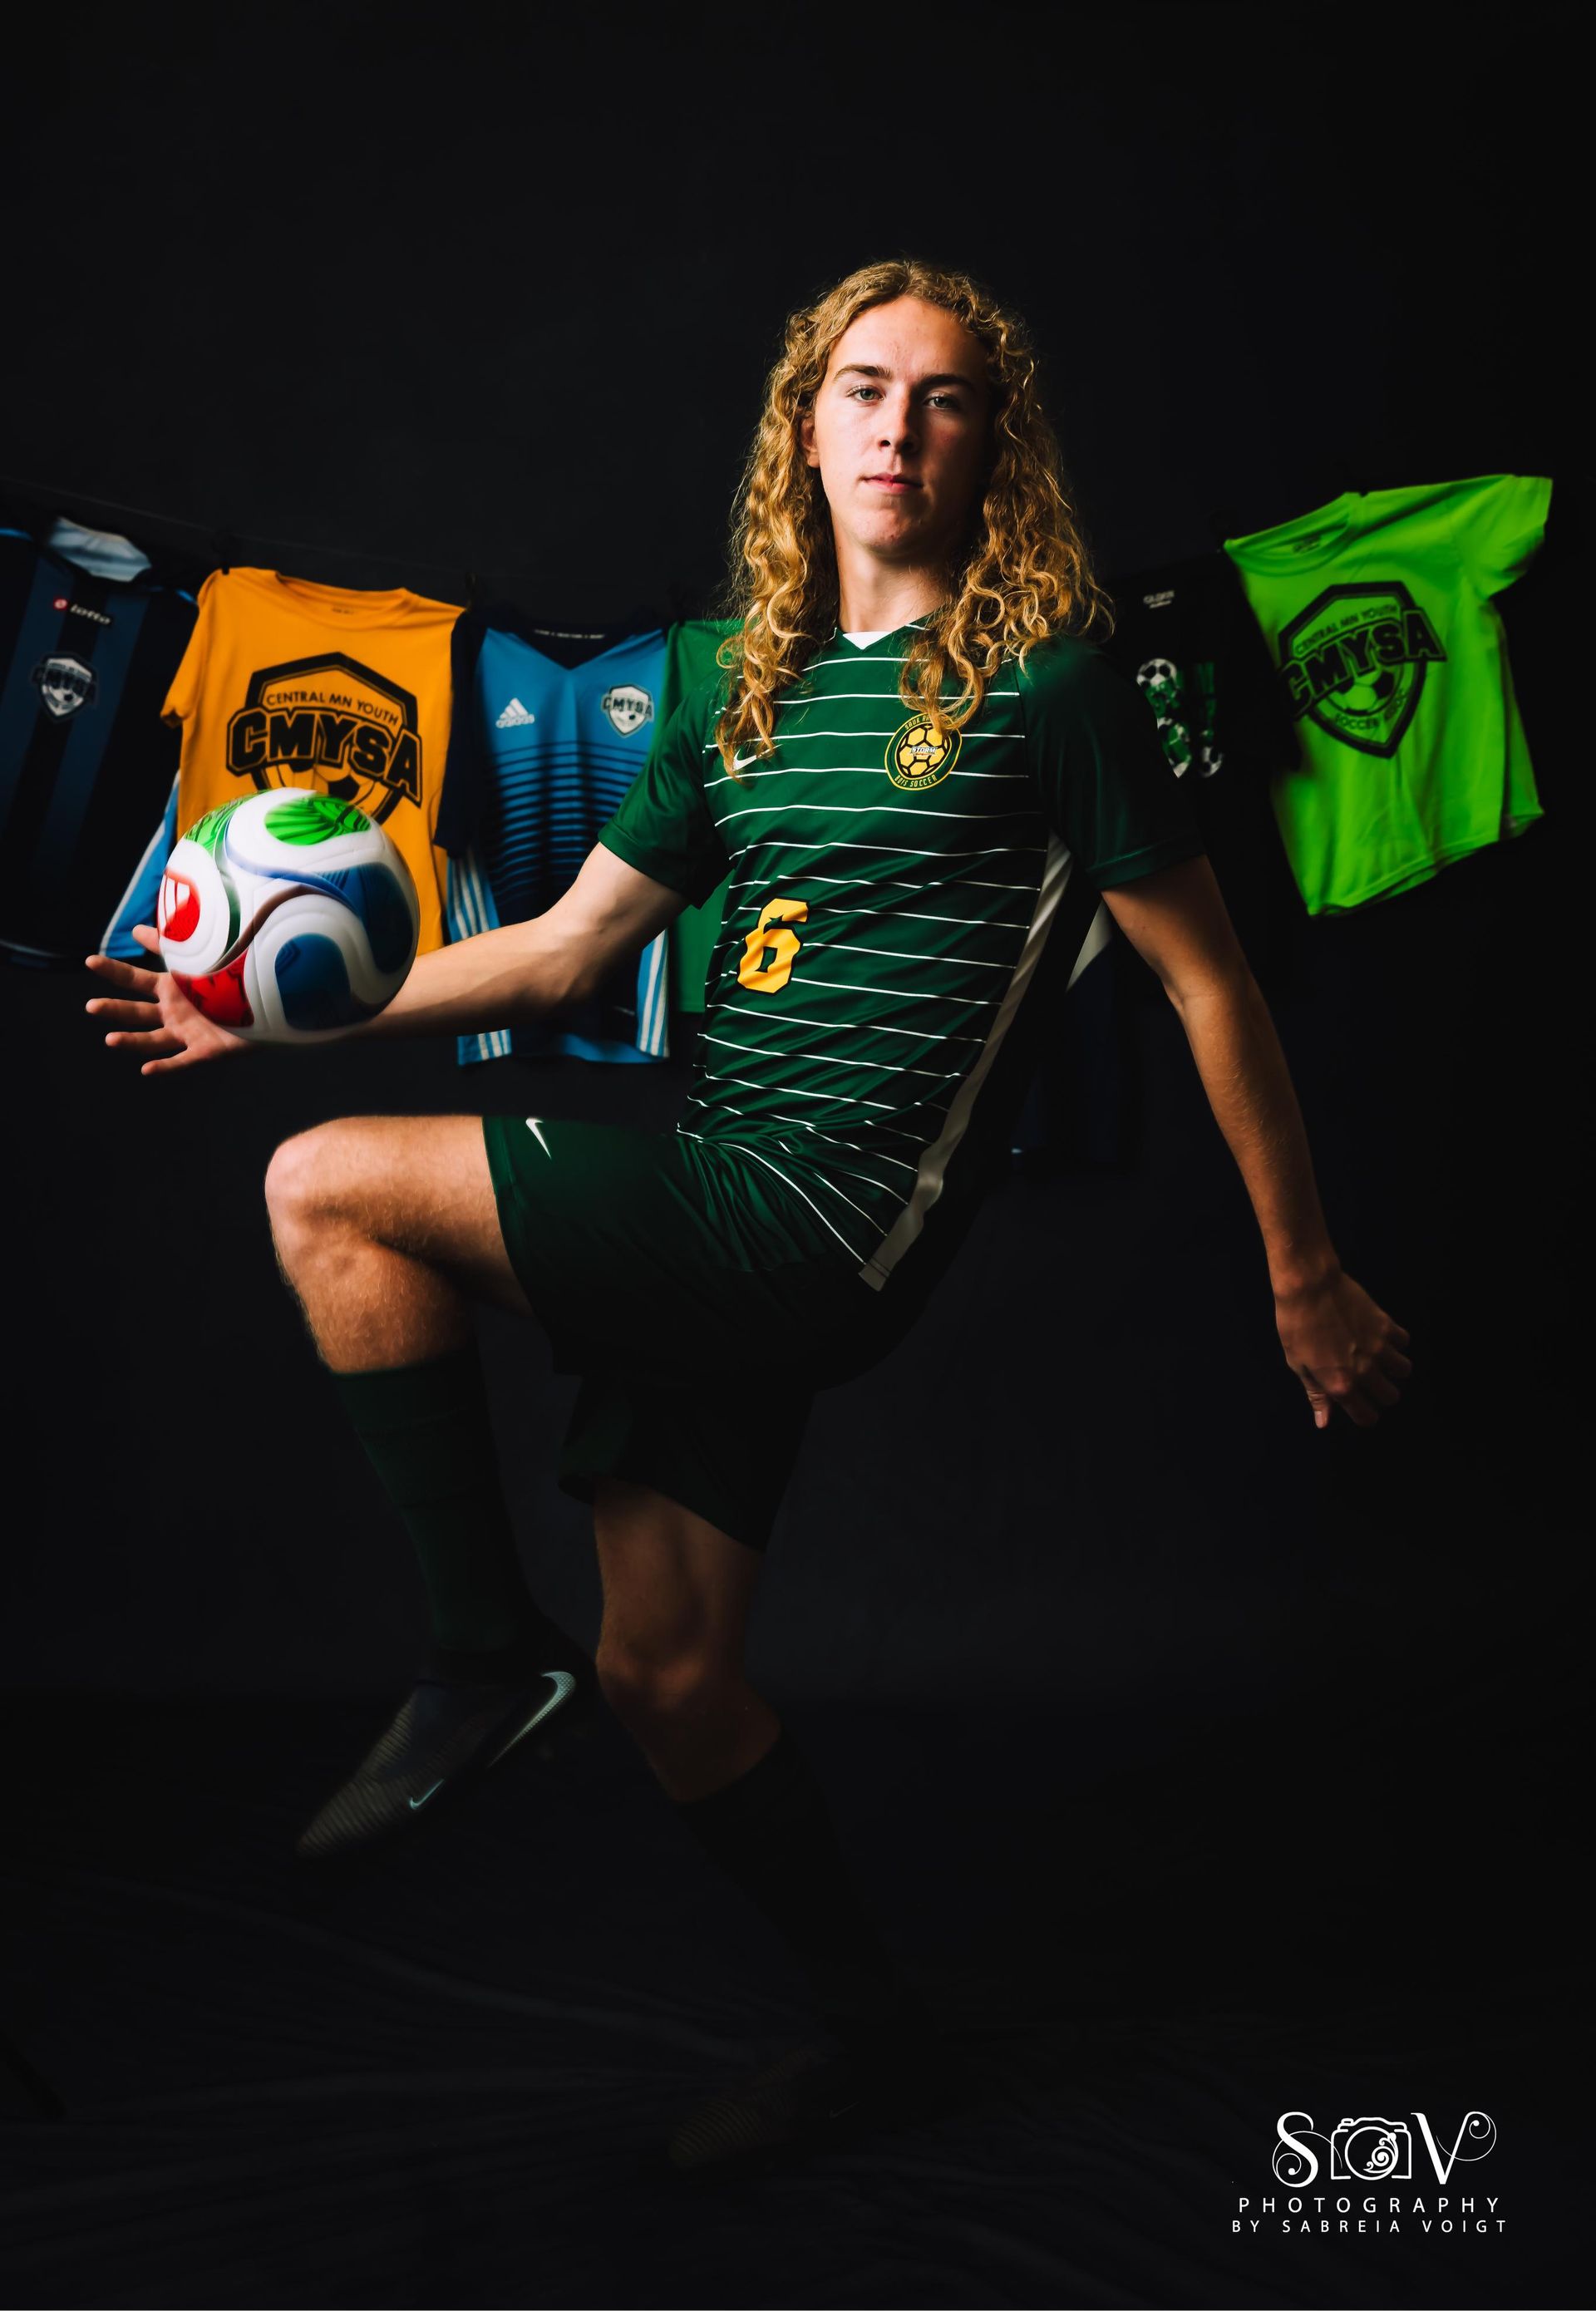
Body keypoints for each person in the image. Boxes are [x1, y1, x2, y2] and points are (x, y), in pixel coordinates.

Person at [85, 257, 1411, 2174]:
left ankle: (475, 1649)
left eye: (944, 398)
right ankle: (883, 2040)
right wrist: (280, 1006)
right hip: (713, 1185)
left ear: (993, 446)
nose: (898, 426)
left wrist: (1305, 1275)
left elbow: (1210, 984)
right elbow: (554, 953)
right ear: (808, 423)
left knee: (327, 1194)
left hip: (816, 1214)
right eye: (864, 388)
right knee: (669, 1676)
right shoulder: (734, 685)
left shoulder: (1050, 686)